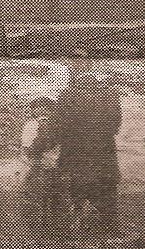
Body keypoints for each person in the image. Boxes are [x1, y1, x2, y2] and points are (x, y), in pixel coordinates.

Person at [47, 68, 123, 238]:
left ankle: (74, 233)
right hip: (104, 159)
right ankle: (109, 233)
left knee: (76, 193)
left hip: (75, 158)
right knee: (106, 196)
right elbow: (115, 125)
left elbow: (57, 128)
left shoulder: (68, 96)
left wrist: (41, 147)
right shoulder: (110, 95)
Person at [20, 95, 71, 241]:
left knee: (39, 197)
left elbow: (30, 147)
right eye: (38, 111)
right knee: (56, 198)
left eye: (43, 111)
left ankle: (41, 232)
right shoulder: (60, 124)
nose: (41, 114)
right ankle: (56, 231)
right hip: (55, 166)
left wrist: (29, 157)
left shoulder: (36, 125)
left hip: (41, 166)